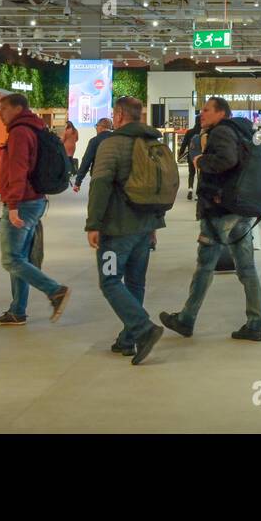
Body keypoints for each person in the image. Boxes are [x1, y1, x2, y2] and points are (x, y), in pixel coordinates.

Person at [161, 96, 261, 341]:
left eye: (206, 110)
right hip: (240, 210)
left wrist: (200, 160)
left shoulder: (221, 132)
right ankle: (255, 323)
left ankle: (186, 319)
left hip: (219, 211)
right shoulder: (243, 132)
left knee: (205, 267)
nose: (201, 114)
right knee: (247, 269)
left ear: (221, 113)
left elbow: (226, 161)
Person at [84, 96, 167, 364]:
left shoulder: (111, 145)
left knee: (109, 281)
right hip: (145, 228)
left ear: (118, 115)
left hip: (116, 230)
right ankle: (128, 339)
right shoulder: (152, 143)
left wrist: (93, 223)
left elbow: (100, 184)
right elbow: (159, 185)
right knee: (135, 282)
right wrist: (155, 222)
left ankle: (143, 329)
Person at [0, 94, 71, 326]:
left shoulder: (19, 132)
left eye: (3, 108)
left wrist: (13, 205)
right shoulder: (34, 128)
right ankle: (17, 311)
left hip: (23, 202)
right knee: (20, 258)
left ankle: (55, 291)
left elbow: (18, 169)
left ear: (17, 109)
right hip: (34, 199)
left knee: (11, 259)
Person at [72, 118, 113, 192]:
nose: (96, 128)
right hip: (116, 178)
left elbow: (86, 161)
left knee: (98, 202)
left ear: (101, 127)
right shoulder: (117, 139)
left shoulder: (95, 141)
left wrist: (78, 182)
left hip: (98, 177)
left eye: (96, 126)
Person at [177, 121, 200, 201]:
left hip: (191, 155)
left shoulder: (190, 132)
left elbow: (184, 144)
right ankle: (197, 194)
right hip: (201, 156)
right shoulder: (203, 132)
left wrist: (180, 154)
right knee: (200, 175)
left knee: (191, 173)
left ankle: (190, 189)